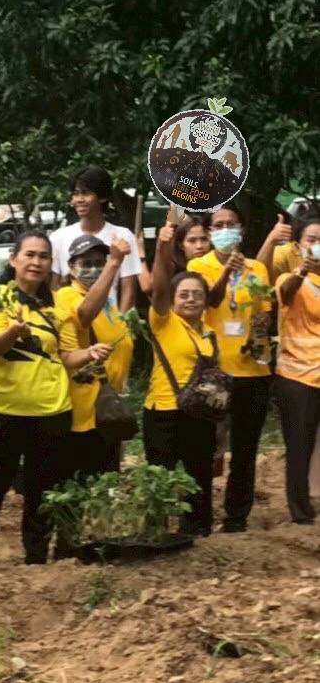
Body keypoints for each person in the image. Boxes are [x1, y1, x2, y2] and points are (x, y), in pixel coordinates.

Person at [0, 231, 109, 575]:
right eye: (30, 255)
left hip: (51, 410)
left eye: (44, 256)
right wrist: (13, 332)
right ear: (14, 260)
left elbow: (65, 354)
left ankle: (35, 558)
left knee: (42, 490)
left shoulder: (57, 306)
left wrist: (88, 353)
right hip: (4, 409)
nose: (36, 262)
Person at [189, 203, 271, 533]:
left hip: (252, 371)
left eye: (231, 224)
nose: (225, 229)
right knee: (207, 448)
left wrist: (263, 326)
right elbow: (207, 301)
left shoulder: (257, 270)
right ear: (209, 233)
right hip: (215, 370)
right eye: (218, 225)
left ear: (242, 230)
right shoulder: (199, 264)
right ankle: (200, 516)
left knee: (245, 449)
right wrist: (226, 272)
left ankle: (237, 517)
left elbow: (264, 312)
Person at [145, 223, 221, 536]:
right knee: (160, 477)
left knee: (198, 476)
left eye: (197, 295)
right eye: (184, 295)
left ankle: (197, 532)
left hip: (199, 416)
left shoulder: (209, 333)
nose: (190, 300)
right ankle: (156, 534)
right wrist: (163, 250)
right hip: (163, 413)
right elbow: (160, 289)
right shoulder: (163, 321)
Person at [54, 233, 136, 475]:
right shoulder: (67, 295)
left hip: (108, 405)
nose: (94, 269)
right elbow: (85, 314)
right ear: (71, 268)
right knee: (87, 476)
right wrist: (113, 264)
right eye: (86, 264)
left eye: (99, 262)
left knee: (107, 475)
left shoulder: (108, 303)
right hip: (87, 408)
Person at [272, 216, 320, 524]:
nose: (316, 246)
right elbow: (286, 293)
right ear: (298, 245)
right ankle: (300, 512)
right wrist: (301, 270)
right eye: (311, 240)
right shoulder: (288, 279)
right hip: (297, 376)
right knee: (300, 446)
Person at [49, 167, 142, 306]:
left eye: (85, 193)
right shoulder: (58, 238)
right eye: (75, 194)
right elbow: (54, 286)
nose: (79, 200)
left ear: (102, 197)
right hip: (71, 319)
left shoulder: (123, 236)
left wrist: (122, 325)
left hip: (109, 320)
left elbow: (129, 289)